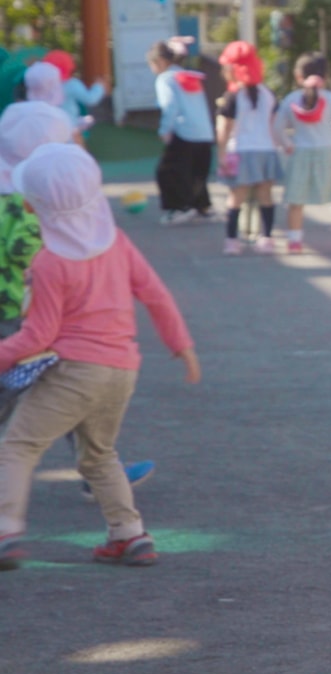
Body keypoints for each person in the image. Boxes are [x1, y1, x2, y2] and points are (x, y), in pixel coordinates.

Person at [0, 144, 201, 571]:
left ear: (40, 209)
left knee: (18, 445)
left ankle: (5, 531)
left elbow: (38, 335)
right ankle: (129, 535)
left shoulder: (50, 262)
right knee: (99, 455)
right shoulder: (117, 244)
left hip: (74, 372)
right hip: (121, 371)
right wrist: (181, 345)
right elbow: (155, 294)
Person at [0, 103, 159, 498]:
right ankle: (95, 472)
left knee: (65, 388)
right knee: (42, 391)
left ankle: (96, 470)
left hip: (30, 316)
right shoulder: (47, 199)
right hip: (29, 317)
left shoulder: (24, 196)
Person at [272, 53, 331, 254]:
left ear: (298, 76)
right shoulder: (330, 98)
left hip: (301, 152)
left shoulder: (291, 99)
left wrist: (286, 144)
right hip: (330, 151)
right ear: (325, 76)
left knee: (296, 200)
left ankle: (294, 241)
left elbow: (277, 128)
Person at [215, 41, 283, 256]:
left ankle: (232, 241)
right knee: (266, 195)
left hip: (240, 151)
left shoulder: (233, 97)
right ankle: (267, 238)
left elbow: (224, 128)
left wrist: (221, 153)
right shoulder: (268, 94)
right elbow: (275, 125)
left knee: (236, 198)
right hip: (266, 151)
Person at [151, 40, 217, 226]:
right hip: (204, 133)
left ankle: (179, 208)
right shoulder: (189, 76)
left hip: (185, 132)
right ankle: (202, 207)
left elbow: (170, 106)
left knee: (167, 171)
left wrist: (165, 130)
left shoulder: (165, 79)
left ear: (160, 61)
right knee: (196, 172)